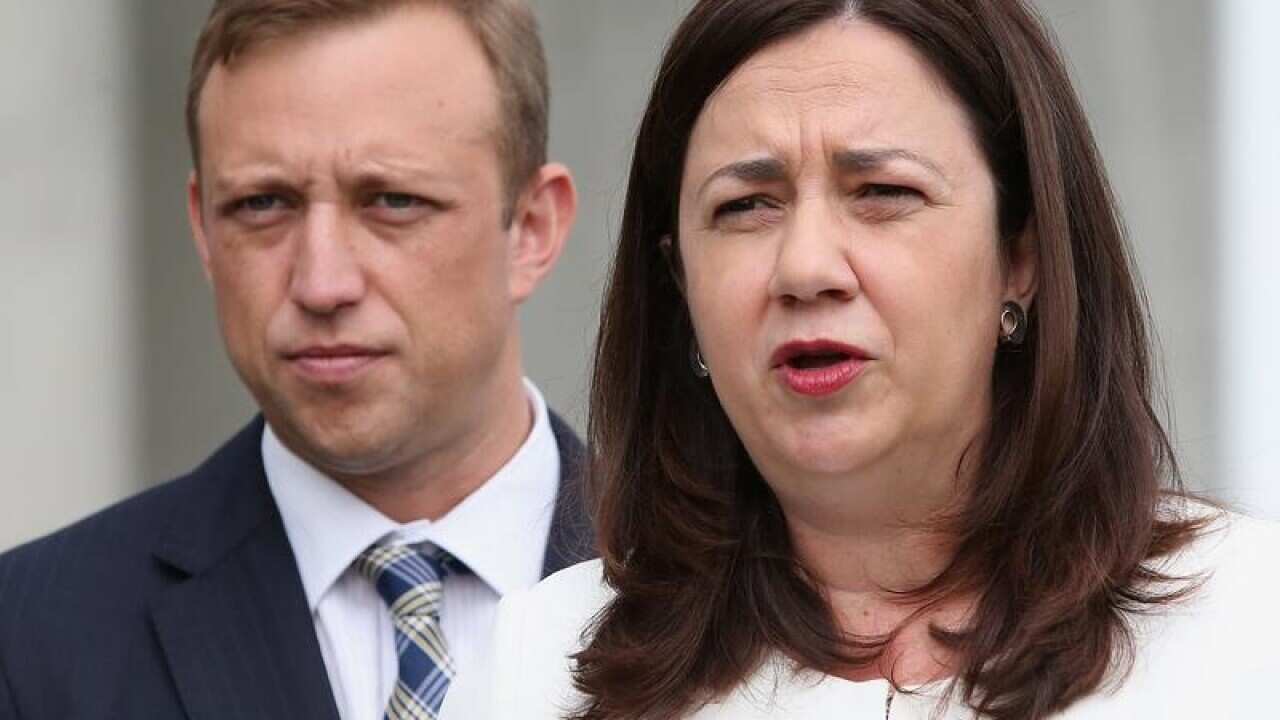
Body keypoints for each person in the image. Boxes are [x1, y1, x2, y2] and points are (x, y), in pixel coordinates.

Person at [441, 1, 1280, 718]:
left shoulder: (1247, 629)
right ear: (679, 285)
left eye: (883, 194)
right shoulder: (535, 669)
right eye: (746, 206)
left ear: (1022, 257)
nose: (806, 267)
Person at [0, 1, 588, 718]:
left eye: (392, 201)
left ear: (532, 229)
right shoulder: (32, 642)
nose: (321, 283)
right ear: (204, 232)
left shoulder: (734, 588)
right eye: (262, 204)